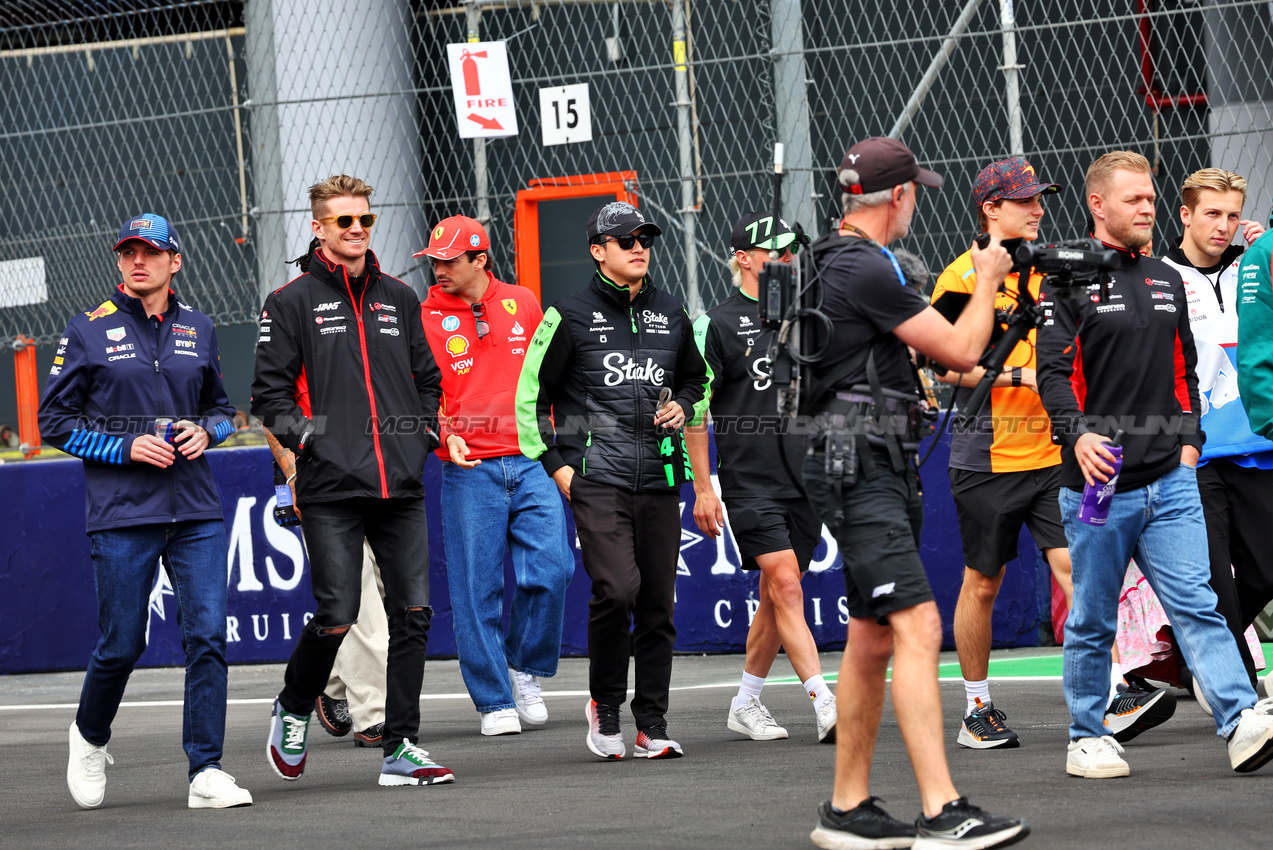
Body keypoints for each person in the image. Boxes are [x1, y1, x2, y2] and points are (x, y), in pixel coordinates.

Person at [802, 137, 1026, 850]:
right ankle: (942, 809)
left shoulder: (825, 259)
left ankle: (847, 808)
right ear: (896, 197)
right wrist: (988, 274)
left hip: (863, 454)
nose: (915, 205)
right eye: (914, 193)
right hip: (862, 460)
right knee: (918, 627)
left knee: (871, 638)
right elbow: (960, 351)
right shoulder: (866, 266)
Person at [1035, 150, 1273, 780]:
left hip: (1171, 477)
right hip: (1098, 482)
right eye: (1134, 199)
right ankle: (1086, 735)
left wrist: (1190, 442)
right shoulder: (1066, 279)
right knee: (1092, 616)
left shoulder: (1165, 279)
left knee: (1199, 602)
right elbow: (1053, 374)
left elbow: (1184, 372)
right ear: (1098, 205)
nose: (1147, 208)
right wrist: (1076, 437)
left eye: (1150, 198)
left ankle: (1239, 718)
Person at [930, 157, 1173, 749]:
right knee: (982, 582)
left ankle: (1115, 690)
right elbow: (939, 364)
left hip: (1056, 454)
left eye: (1041, 199)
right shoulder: (962, 277)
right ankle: (976, 709)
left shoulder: (1056, 269)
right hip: (987, 457)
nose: (1039, 209)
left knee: (1079, 571)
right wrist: (1021, 380)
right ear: (991, 209)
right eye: (1025, 201)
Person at [39, 213, 251, 809]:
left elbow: (221, 409)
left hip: (197, 510)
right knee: (123, 642)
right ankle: (89, 734)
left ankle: (205, 772)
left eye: (151, 253)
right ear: (119, 261)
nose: (139, 261)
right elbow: (53, 422)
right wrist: (125, 447)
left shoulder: (199, 327)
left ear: (174, 262)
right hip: (122, 511)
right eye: (129, 252)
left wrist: (207, 431)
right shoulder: (87, 329)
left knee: (207, 635)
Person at [251, 175, 453, 787]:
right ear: (319, 227)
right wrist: (317, 442)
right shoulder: (289, 302)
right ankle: (292, 705)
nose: (358, 228)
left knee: (414, 613)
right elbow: (269, 397)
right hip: (330, 488)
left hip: (401, 484)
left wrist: (420, 436)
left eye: (365, 218)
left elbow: (428, 381)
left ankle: (401, 746)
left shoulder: (400, 297)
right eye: (344, 221)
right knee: (336, 613)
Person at [517, 200, 709, 760]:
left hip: (659, 477)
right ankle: (605, 709)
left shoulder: (672, 312)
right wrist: (556, 466)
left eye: (644, 239)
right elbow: (531, 398)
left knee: (657, 604)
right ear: (598, 251)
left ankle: (651, 721)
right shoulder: (567, 315)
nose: (638, 248)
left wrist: (685, 406)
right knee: (616, 591)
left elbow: (697, 382)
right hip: (596, 479)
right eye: (625, 241)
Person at [416, 215, 574, 737]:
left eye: (449, 260)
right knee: (474, 589)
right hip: (468, 469)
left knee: (553, 569)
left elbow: (551, 378)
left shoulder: (524, 302)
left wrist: (558, 444)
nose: (438, 269)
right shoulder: (423, 316)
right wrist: (442, 437)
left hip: (531, 461)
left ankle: (524, 667)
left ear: (480, 259)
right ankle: (493, 699)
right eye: (433, 260)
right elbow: (418, 395)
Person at [687, 211, 836, 744]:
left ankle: (745, 702)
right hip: (750, 482)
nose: (788, 258)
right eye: (776, 250)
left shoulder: (811, 316)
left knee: (777, 595)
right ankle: (826, 703)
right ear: (744, 259)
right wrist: (704, 488)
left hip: (807, 478)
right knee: (787, 585)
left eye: (794, 249)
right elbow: (696, 410)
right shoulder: (716, 323)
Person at [1158, 168, 1272, 692]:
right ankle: (1240, 695)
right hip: (1191, 451)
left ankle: (1190, 644)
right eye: (1212, 213)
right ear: (1185, 214)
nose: (1223, 225)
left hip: (1256, 444)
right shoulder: (1157, 276)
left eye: (1232, 214)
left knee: (1265, 569)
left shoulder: (1257, 265)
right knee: (1213, 578)